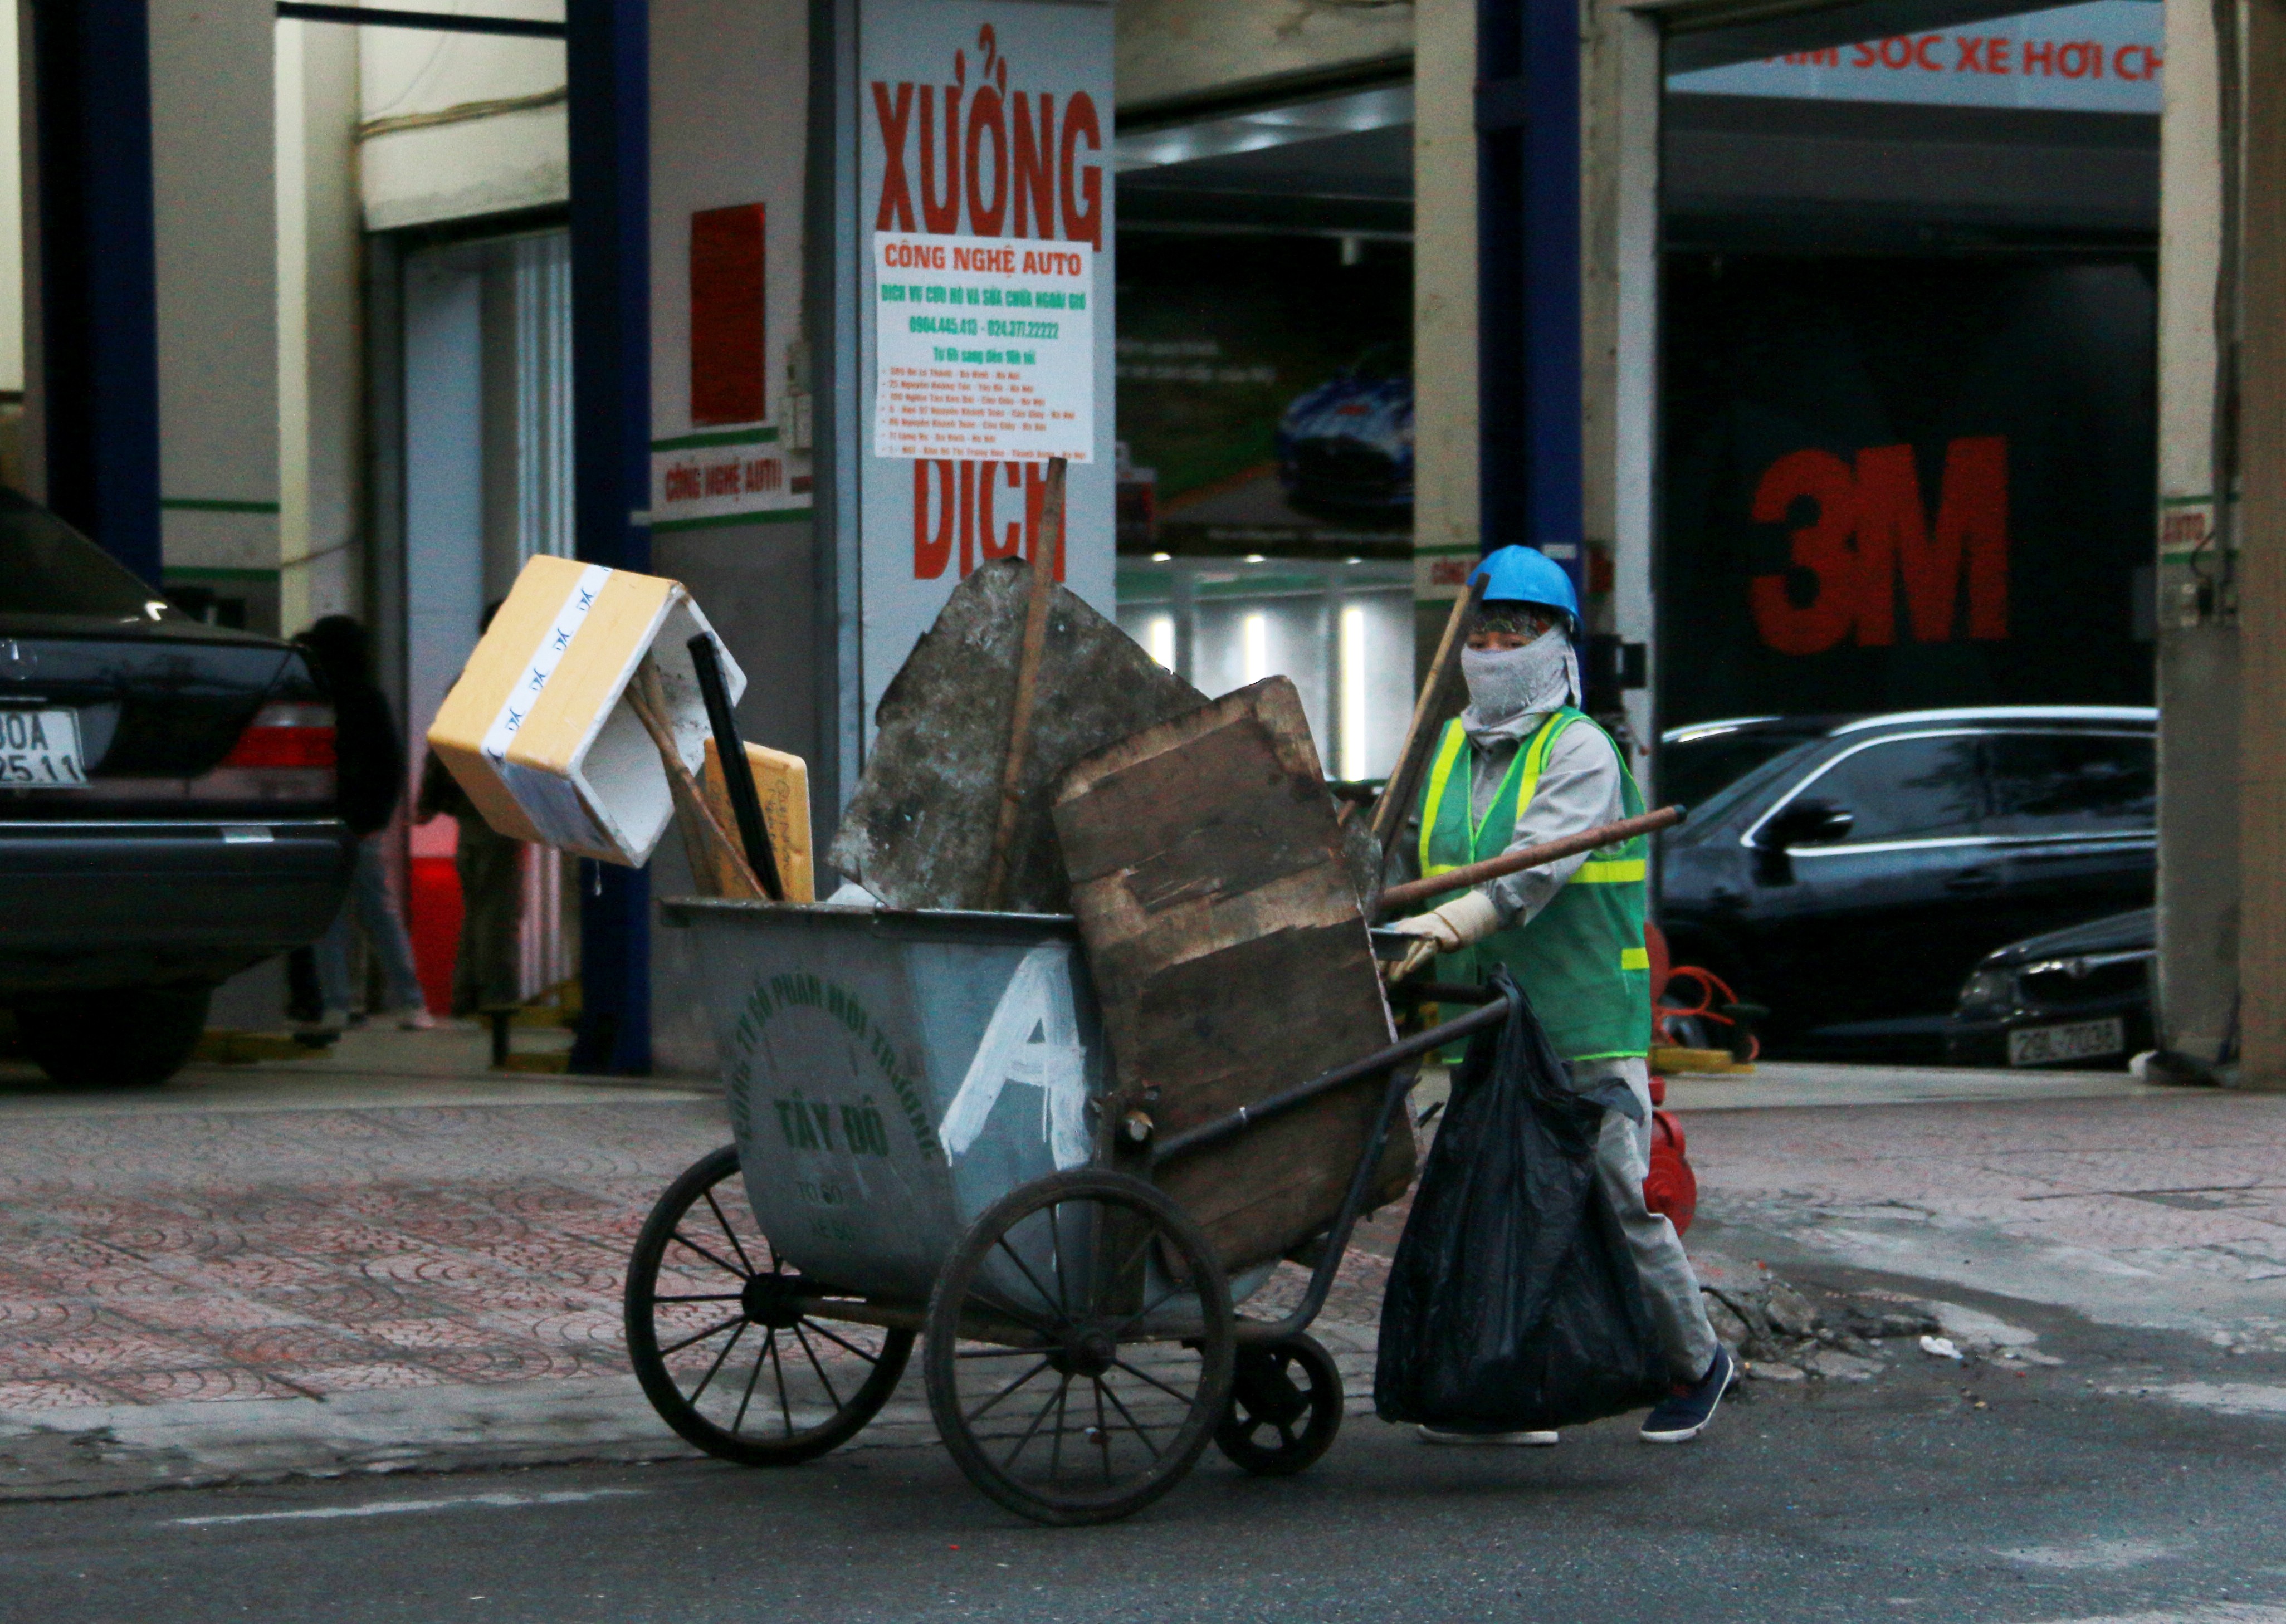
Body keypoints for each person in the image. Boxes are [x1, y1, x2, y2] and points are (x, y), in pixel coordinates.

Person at [1385, 544, 1733, 1446]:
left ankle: (1697, 1359)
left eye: (1518, 632)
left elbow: (1524, 877)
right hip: (1488, 1021)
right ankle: (1510, 1392)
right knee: (1495, 1201)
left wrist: (1434, 931)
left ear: (1556, 644)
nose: (1496, 649)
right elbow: (1418, 858)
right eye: (1485, 632)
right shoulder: (1450, 747)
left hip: (1577, 1015)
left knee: (1614, 1195)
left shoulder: (1577, 750)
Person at [296, 615, 436, 1031]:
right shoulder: (367, 697)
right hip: (360, 823)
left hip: (320, 820)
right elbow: (389, 764)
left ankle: (337, 1004)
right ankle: (411, 1003)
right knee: (380, 914)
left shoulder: (315, 697)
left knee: (329, 922)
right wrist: (375, 818)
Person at [416, 603, 525, 1016]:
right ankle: (498, 997)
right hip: (500, 807)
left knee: (479, 903)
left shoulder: (467, 682)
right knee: (499, 907)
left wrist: (427, 802)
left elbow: (440, 749)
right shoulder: (514, 685)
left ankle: (466, 994)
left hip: (469, 808)